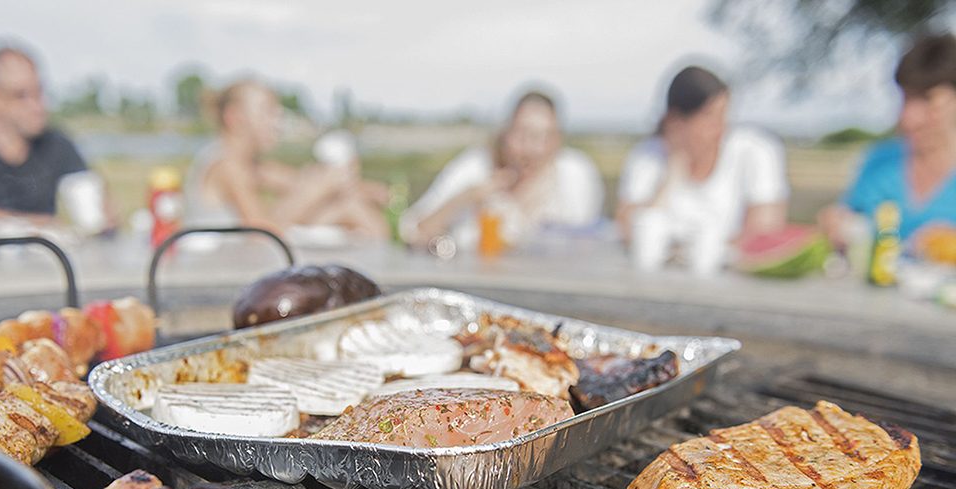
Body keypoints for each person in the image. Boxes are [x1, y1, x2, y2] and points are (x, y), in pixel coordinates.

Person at [616, 66, 789, 274]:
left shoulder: (756, 151)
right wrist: (673, 171)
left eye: (724, 116)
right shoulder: (647, 155)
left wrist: (690, 248)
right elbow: (629, 228)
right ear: (675, 121)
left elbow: (765, 231)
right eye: (709, 117)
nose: (721, 128)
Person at [0, 45, 109, 240]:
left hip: (47, 266)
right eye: (20, 95)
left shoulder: (57, 142)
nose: (37, 106)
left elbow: (96, 215)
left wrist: (101, 216)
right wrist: (49, 228)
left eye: (39, 93)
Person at [399, 90, 603, 252]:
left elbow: (583, 241)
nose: (533, 149)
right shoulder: (475, 167)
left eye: (544, 137)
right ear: (505, 134)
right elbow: (413, 230)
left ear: (558, 140)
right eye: (523, 135)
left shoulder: (574, 173)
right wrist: (466, 198)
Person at [183, 79, 388, 239]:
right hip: (219, 274)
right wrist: (318, 188)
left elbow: (296, 182)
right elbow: (262, 234)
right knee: (343, 207)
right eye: (267, 111)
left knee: (349, 205)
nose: (277, 120)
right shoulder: (226, 166)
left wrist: (359, 188)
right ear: (235, 117)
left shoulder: (252, 166)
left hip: (245, 258)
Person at [819, 33, 956, 256]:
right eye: (906, 98)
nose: (909, 117)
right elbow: (850, 227)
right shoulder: (878, 162)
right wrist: (835, 226)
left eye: (928, 99)